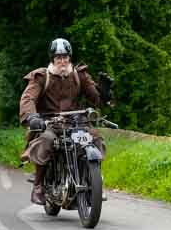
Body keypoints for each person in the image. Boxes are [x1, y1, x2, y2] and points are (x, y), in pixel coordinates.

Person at [19, 38, 112, 205]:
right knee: (47, 140)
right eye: (58, 58)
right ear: (52, 59)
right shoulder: (42, 76)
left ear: (70, 58)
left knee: (95, 138)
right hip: (50, 122)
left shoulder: (79, 75)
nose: (62, 61)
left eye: (65, 57)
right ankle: (39, 186)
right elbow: (28, 98)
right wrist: (32, 116)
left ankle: (95, 181)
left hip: (76, 122)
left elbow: (95, 98)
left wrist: (104, 95)